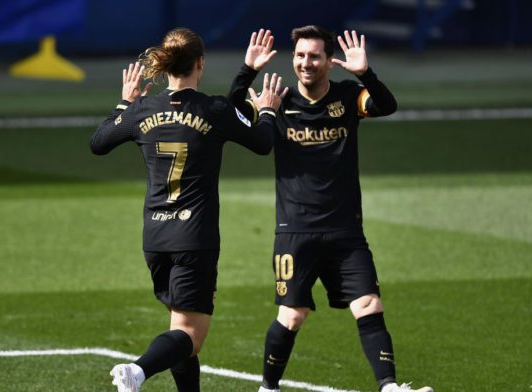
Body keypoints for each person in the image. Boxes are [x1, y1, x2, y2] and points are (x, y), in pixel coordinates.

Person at [228, 27, 433, 392]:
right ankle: (268, 388)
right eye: (300, 56)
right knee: (292, 316)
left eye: (314, 56)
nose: (306, 63)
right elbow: (232, 112)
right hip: (295, 231)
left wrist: (365, 74)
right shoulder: (277, 100)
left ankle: (389, 387)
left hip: (345, 231)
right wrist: (247, 71)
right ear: (293, 59)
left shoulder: (348, 96)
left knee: (369, 304)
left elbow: (386, 105)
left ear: (327, 62)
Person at [90, 27, 287, 392]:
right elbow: (261, 142)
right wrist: (268, 111)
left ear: (165, 67)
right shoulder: (213, 110)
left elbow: (99, 142)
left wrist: (125, 102)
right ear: (200, 63)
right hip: (194, 239)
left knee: (179, 332)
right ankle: (137, 371)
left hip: (155, 238)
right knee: (189, 337)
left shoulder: (143, 110)